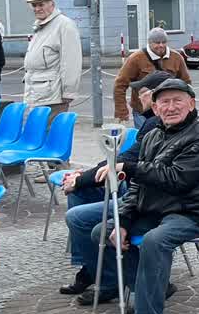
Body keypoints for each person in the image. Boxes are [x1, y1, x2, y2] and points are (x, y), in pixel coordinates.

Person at [90, 79, 199, 314]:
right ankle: (154, 288)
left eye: (178, 100)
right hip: (157, 209)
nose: (171, 107)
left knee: (155, 240)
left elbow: (178, 179)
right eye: (164, 102)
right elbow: (138, 187)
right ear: (154, 108)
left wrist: (129, 167)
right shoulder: (153, 135)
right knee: (103, 231)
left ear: (192, 104)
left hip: (193, 211)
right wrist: (125, 220)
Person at [59, 71, 169, 299]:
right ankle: (92, 267)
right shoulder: (151, 123)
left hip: (146, 199)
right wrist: (83, 176)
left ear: (154, 96)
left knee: (78, 217)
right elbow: (121, 158)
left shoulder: (155, 125)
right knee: (80, 193)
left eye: (141, 93)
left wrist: (80, 179)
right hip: (137, 191)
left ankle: (108, 280)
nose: (137, 98)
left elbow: (129, 162)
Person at [112, 28, 192, 126]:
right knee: (145, 135)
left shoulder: (176, 57)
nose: (161, 45)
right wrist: (121, 111)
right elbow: (120, 85)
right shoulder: (136, 58)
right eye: (157, 43)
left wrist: (187, 107)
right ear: (149, 43)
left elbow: (186, 83)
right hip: (143, 112)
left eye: (164, 42)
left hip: (169, 110)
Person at [22, 0, 82, 117]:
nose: (37, 9)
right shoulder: (41, 26)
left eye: (41, 5)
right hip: (37, 94)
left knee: (50, 129)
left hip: (53, 97)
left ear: (52, 4)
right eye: (34, 5)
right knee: (38, 129)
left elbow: (71, 62)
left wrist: (68, 92)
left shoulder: (64, 25)